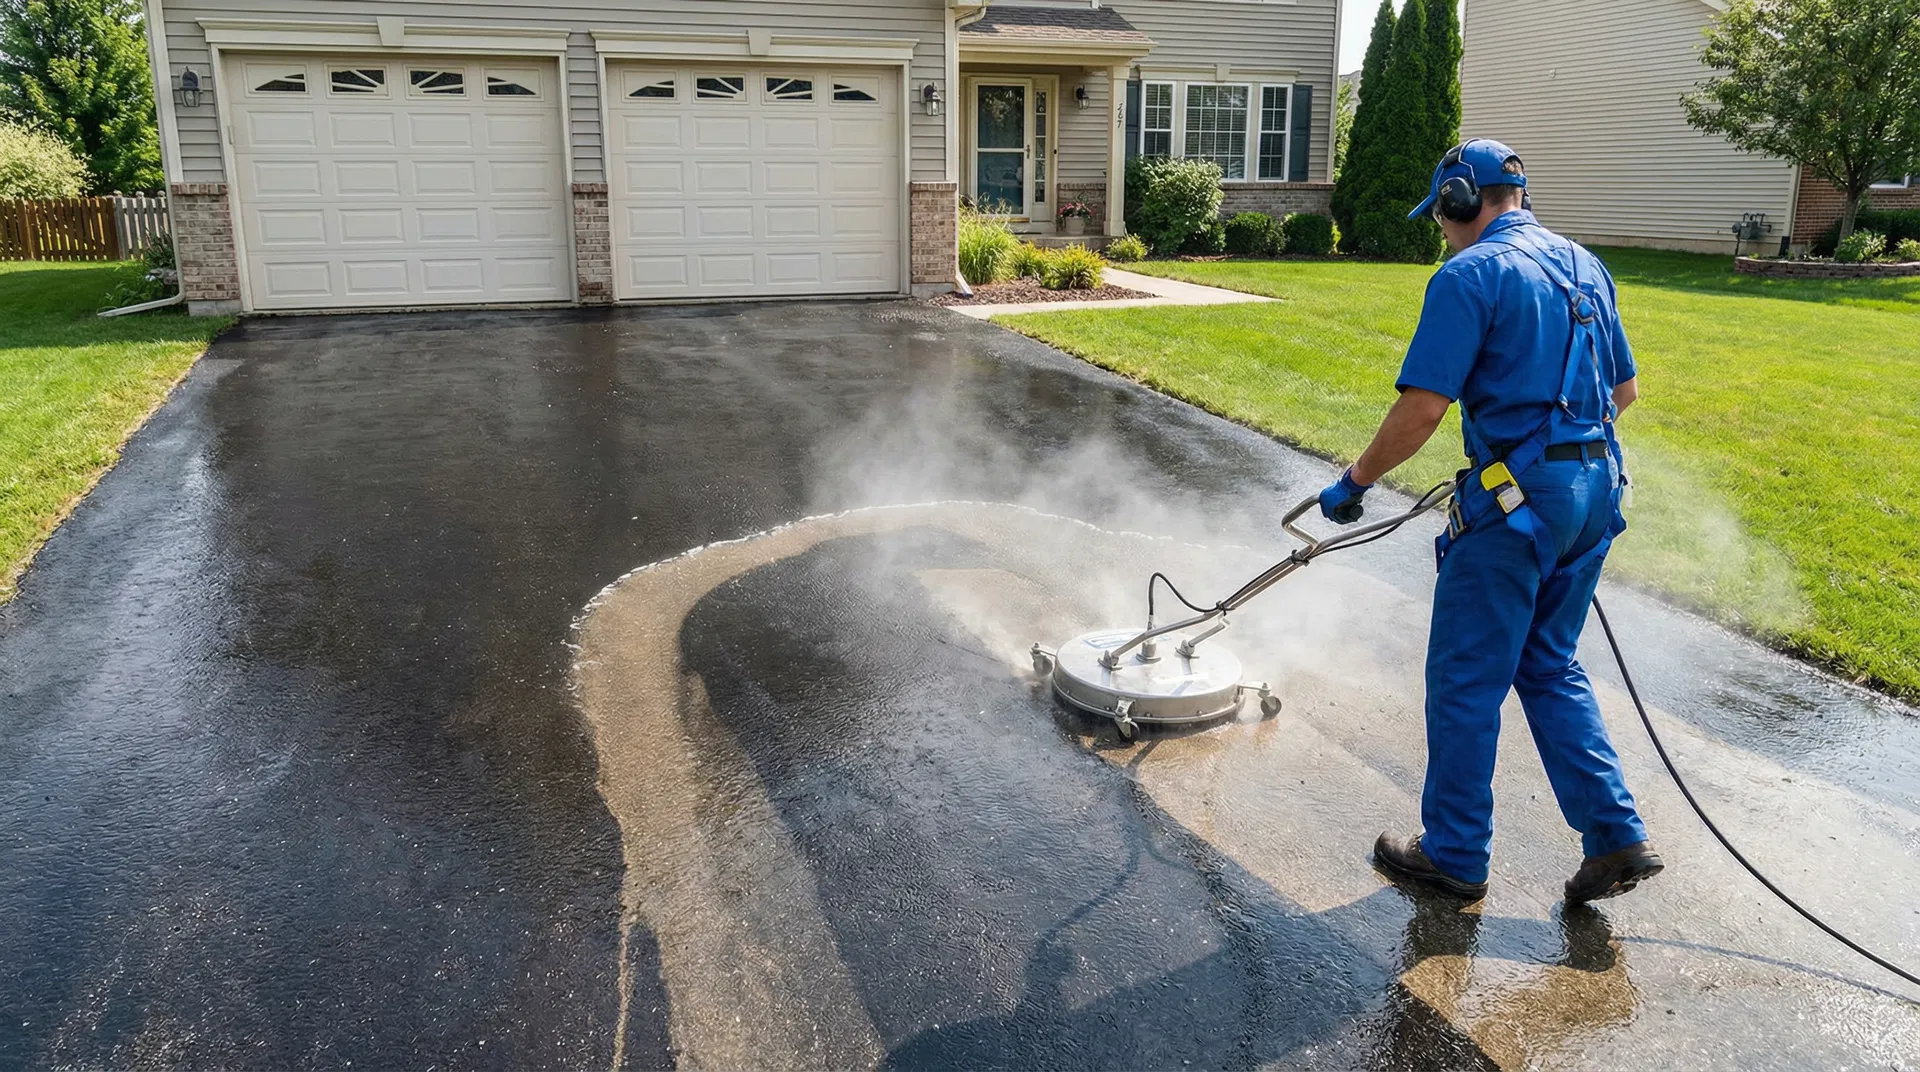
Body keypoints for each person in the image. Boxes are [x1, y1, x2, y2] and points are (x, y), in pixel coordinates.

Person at [1316, 139, 1662, 904]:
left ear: (1461, 201)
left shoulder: (1468, 274)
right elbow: (1625, 391)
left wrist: (1355, 481)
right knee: (1549, 664)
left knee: (1466, 679)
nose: (1442, 228)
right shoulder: (1584, 265)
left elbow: (1424, 407)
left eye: (1442, 215)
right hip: (1595, 494)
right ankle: (1615, 834)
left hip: (1517, 506)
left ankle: (1455, 854)